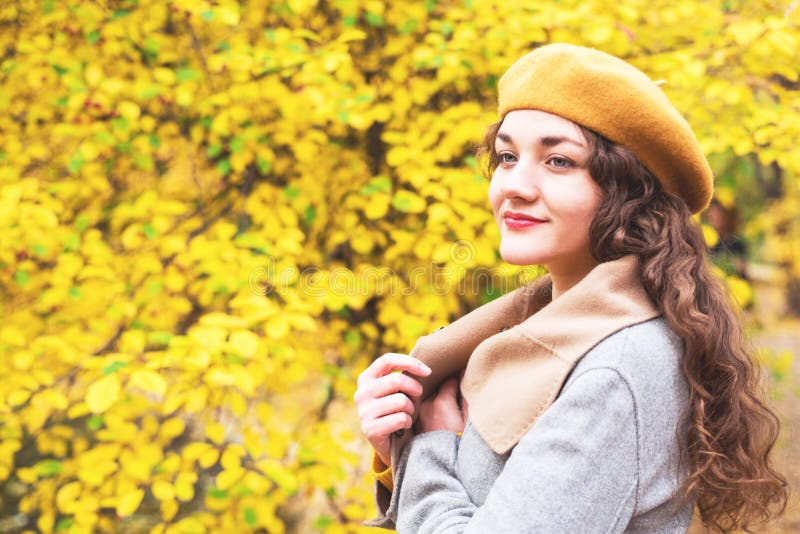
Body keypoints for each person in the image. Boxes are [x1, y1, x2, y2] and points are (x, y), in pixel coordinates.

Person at [354, 43, 787, 533]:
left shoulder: (614, 368)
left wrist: (430, 444)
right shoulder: (535, 329)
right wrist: (395, 443)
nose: (514, 184)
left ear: (630, 194)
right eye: (507, 156)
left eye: (558, 161)